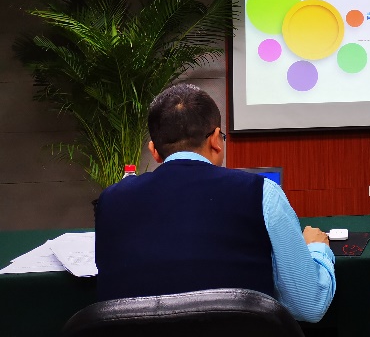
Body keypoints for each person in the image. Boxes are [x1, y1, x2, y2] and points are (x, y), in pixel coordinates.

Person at [95, 83, 336, 323]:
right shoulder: (263, 192)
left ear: (154, 151)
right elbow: (308, 306)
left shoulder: (110, 200)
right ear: (215, 140)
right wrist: (317, 249)